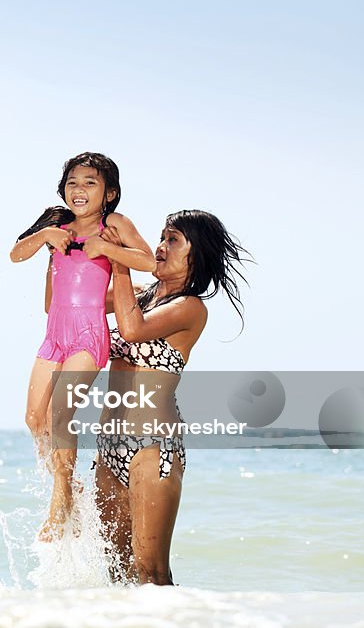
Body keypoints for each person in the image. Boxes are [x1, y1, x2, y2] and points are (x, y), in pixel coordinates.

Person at [94, 209, 250, 584]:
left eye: (172, 240)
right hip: (108, 445)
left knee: (151, 572)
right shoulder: (142, 296)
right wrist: (63, 250)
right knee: (117, 571)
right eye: (161, 238)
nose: (159, 248)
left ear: (195, 255)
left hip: (152, 447)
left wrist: (119, 258)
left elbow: (132, 331)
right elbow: (63, 306)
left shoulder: (190, 308)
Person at [10, 152, 155, 541]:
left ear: (109, 193)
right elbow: (15, 254)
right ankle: (70, 487)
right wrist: (44, 236)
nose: (80, 189)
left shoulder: (115, 224)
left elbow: (148, 262)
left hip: (89, 336)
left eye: (90, 182)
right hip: (53, 333)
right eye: (73, 182)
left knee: (60, 413)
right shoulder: (57, 228)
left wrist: (107, 250)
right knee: (34, 419)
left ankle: (60, 502)